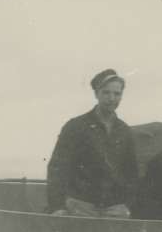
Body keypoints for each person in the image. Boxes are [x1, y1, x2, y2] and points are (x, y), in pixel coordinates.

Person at [46, 69, 138, 217]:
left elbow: (131, 173)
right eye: (106, 93)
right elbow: (58, 167)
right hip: (80, 208)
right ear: (96, 94)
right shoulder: (75, 126)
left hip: (114, 210)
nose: (111, 98)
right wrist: (57, 206)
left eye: (117, 94)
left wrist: (128, 205)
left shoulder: (124, 130)